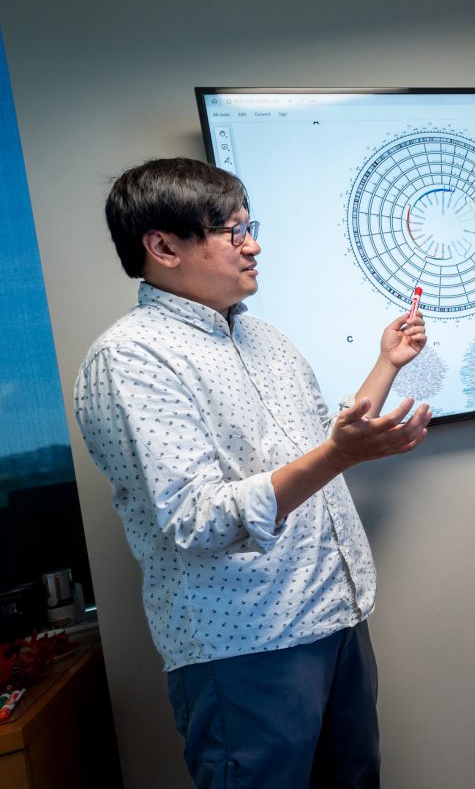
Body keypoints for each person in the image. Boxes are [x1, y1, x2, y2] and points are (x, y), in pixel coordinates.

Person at [74, 157, 433, 787]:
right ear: (163, 246)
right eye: (233, 231)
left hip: (336, 616)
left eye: (251, 226)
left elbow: (319, 447)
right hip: (247, 645)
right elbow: (196, 519)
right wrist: (342, 455)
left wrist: (387, 365)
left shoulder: (262, 337)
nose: (254, 244)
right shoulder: (130, 358)